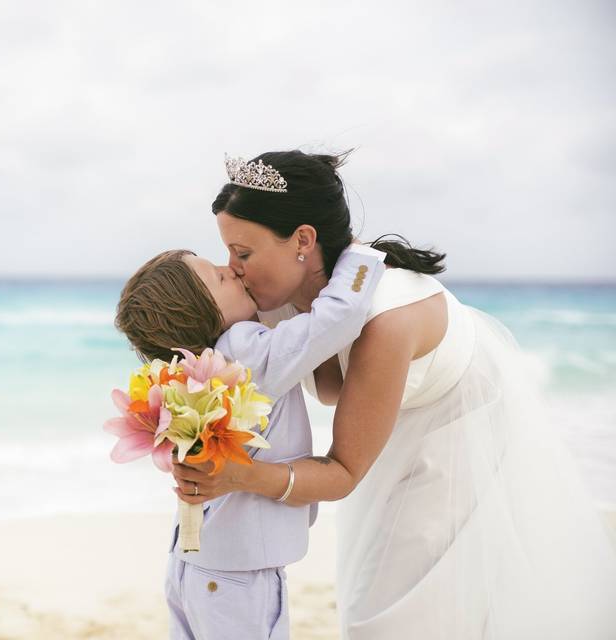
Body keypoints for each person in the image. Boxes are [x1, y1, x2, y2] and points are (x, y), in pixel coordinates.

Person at [175, 149, 616, 638]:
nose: (232, 269)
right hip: (389, 431)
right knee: (370, 592)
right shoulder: (286, 294)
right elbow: (329, 388)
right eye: (228, 253)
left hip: (452, 438)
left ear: (303, 240)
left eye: (243, 253)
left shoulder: (387, 318)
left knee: (392, 614)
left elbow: (343, 471)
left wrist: (243, 476)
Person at [115, 236, 387, 637]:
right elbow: (336, 319)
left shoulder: (188, 374)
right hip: (236, 575)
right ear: (202, 314)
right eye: (218, 278)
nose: (231, 270)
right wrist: (359, 257)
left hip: (193, 567)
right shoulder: (245, 352)